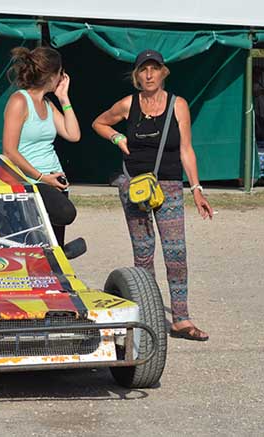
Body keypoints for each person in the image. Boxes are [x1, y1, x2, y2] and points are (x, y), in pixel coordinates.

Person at [92, 49, 213, 341]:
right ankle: (148, 315)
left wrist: (196, 189)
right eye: (143, 69)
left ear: (163, 72)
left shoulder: (177, 105)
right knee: (143, 254)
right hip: (134, 187)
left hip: (168, 186)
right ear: (137, 75)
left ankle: (181, 319)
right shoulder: (127, 104)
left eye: (154, 69)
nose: (148, 75)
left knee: (176, 253)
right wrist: (117, 136)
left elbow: (186, 149)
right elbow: (99, 122)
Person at [1, 46, 80, 247]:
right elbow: (9, 151)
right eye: (60, 73)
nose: (62, 77)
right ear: (53, 75)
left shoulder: (47, 103)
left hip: (55, 179)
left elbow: (73, 135)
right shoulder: (20, 100)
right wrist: (41, 178)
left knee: (55, 246)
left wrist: (64, 98)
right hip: (31, 181)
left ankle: (56, 258)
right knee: (66, 213)